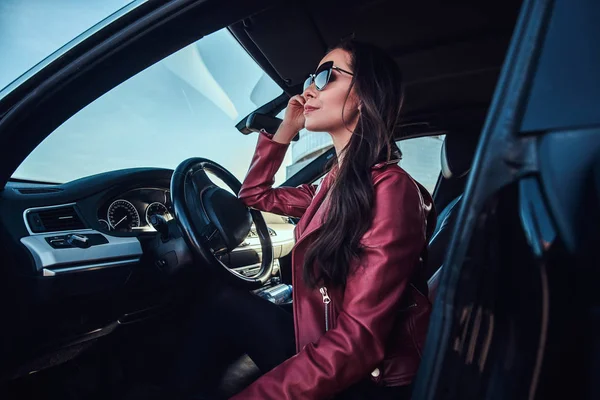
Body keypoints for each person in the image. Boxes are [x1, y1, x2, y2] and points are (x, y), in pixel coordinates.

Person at [171, 39, 436, 400]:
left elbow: (358, 343)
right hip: (321, 340)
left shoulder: (391, 190)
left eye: (326, 76)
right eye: (312, 76)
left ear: (363, 95)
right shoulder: (333, 184)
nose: (309, 88)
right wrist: (285, 130)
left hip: (366, 380)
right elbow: (254, 195)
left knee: (221, 304)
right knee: (220, 300)